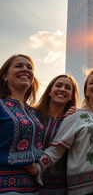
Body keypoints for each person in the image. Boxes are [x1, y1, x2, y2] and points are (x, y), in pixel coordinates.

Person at [31, 69, 93, 195]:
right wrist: (38, 167)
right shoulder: (75, 116)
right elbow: (57, 147)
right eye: (92, 82)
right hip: (82, 188)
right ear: (86, 91)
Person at [0, 54, 44, 194]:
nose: (25, 69)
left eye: (29, 67)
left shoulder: (35, 113)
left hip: (33, 188)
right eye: (19, 66)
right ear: (5, 76)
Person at [36, 74, 79, 195]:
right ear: (50, 91)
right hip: (30, 184)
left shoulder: (73, 120)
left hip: (60, 187)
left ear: (71, 96)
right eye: (58, 85)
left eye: (67, 87)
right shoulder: (33, 114)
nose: (62, 89)